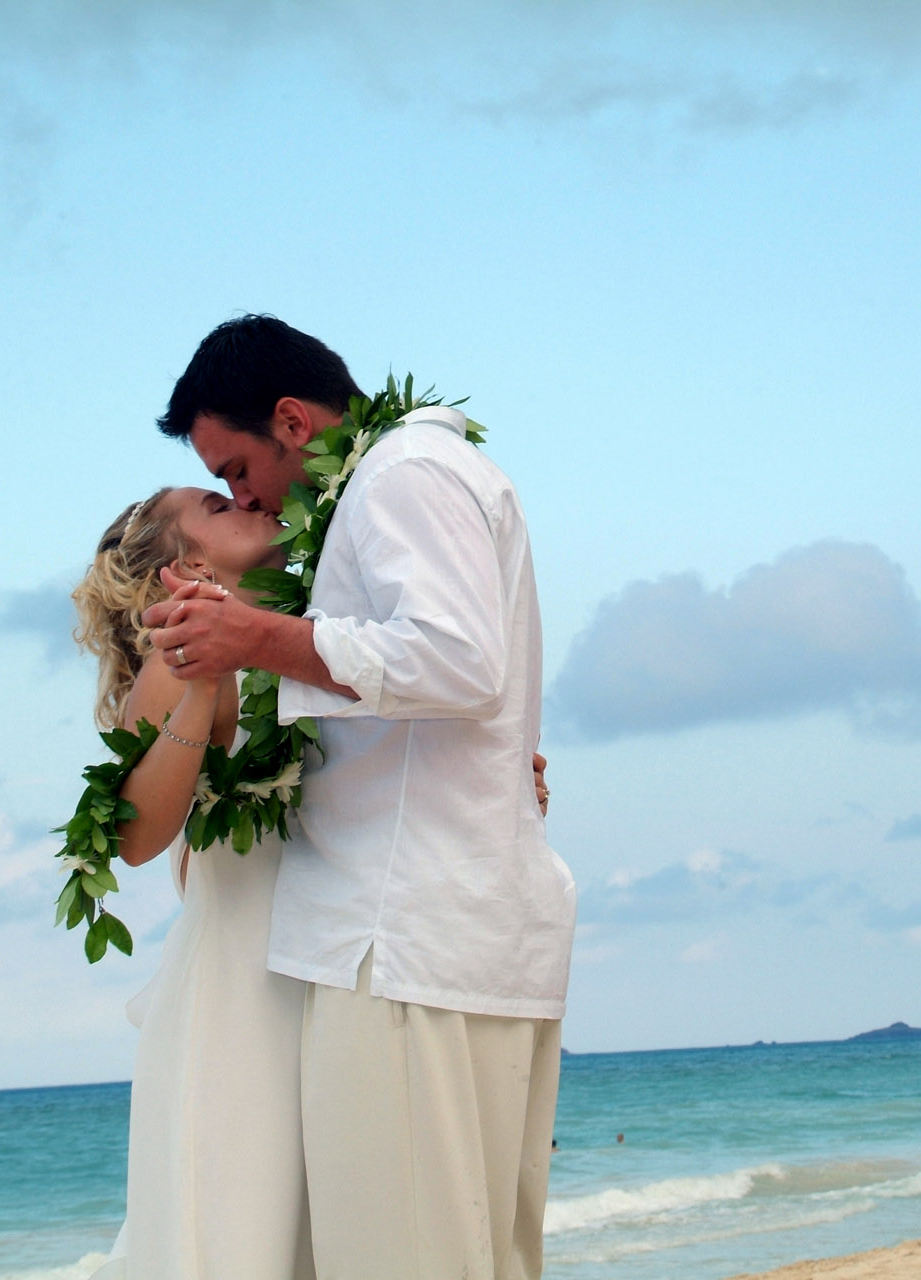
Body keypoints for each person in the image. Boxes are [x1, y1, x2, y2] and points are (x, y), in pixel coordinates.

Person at [139, 315, 575, 1280]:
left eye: (237, 466)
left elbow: (459, 662)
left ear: (292, 420)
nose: (241, 493)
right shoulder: (403, 481)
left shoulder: (399, 476)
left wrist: (253, 643)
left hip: (401, 945)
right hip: (438, 939)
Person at [73, 486, 316, 1279]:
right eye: (217, 504)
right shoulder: (178, 657)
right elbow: (140, 835)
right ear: (190, 564)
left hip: (326, 962)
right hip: (241, 988)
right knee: (243, 1227)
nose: (248, 498)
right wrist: (206, 684)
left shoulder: (308, 636)